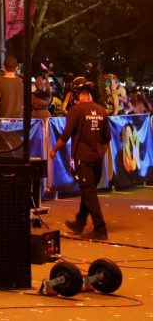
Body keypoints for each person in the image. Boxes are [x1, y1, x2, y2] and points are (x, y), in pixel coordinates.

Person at [49, 79, 110, 240]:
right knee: (87, 190)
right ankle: (79, 222)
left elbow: (66, 135)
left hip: (83, 159)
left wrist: (54, 149)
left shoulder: (76, 110)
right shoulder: (102, 111)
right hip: (97, 158)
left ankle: (100, 228)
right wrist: (99, 155)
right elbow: (106, 140)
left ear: (76, 94)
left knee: (89, 193)